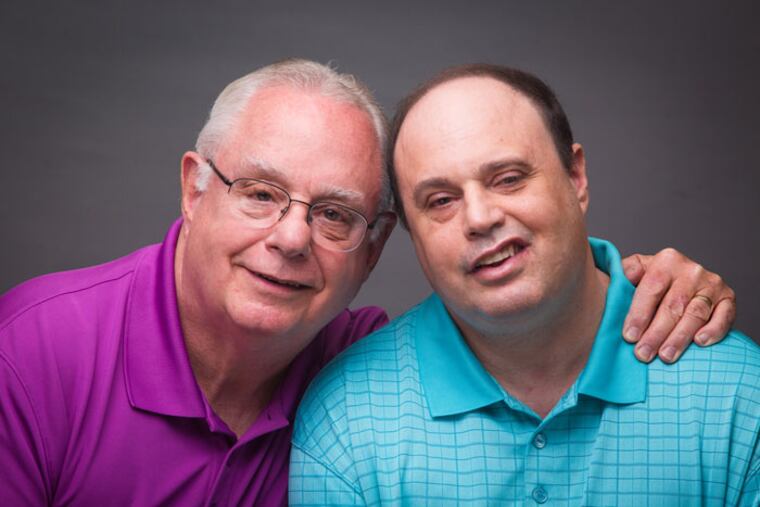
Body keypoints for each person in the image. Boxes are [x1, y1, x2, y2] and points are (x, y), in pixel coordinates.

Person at [0, 59, 737, 507]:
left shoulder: (355, 365)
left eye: (334, 213)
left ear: (375, 246)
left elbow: (525, 308)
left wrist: (644, 281)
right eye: (259, 192)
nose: (291, 238)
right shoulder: (30, 355)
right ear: (195, 189)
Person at [289, 64, 759, 506]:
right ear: (412, 234)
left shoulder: (738, 394)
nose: (480, 218)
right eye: (441, 200)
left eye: (508, 179)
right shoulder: (348, 417)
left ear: (575, 177)